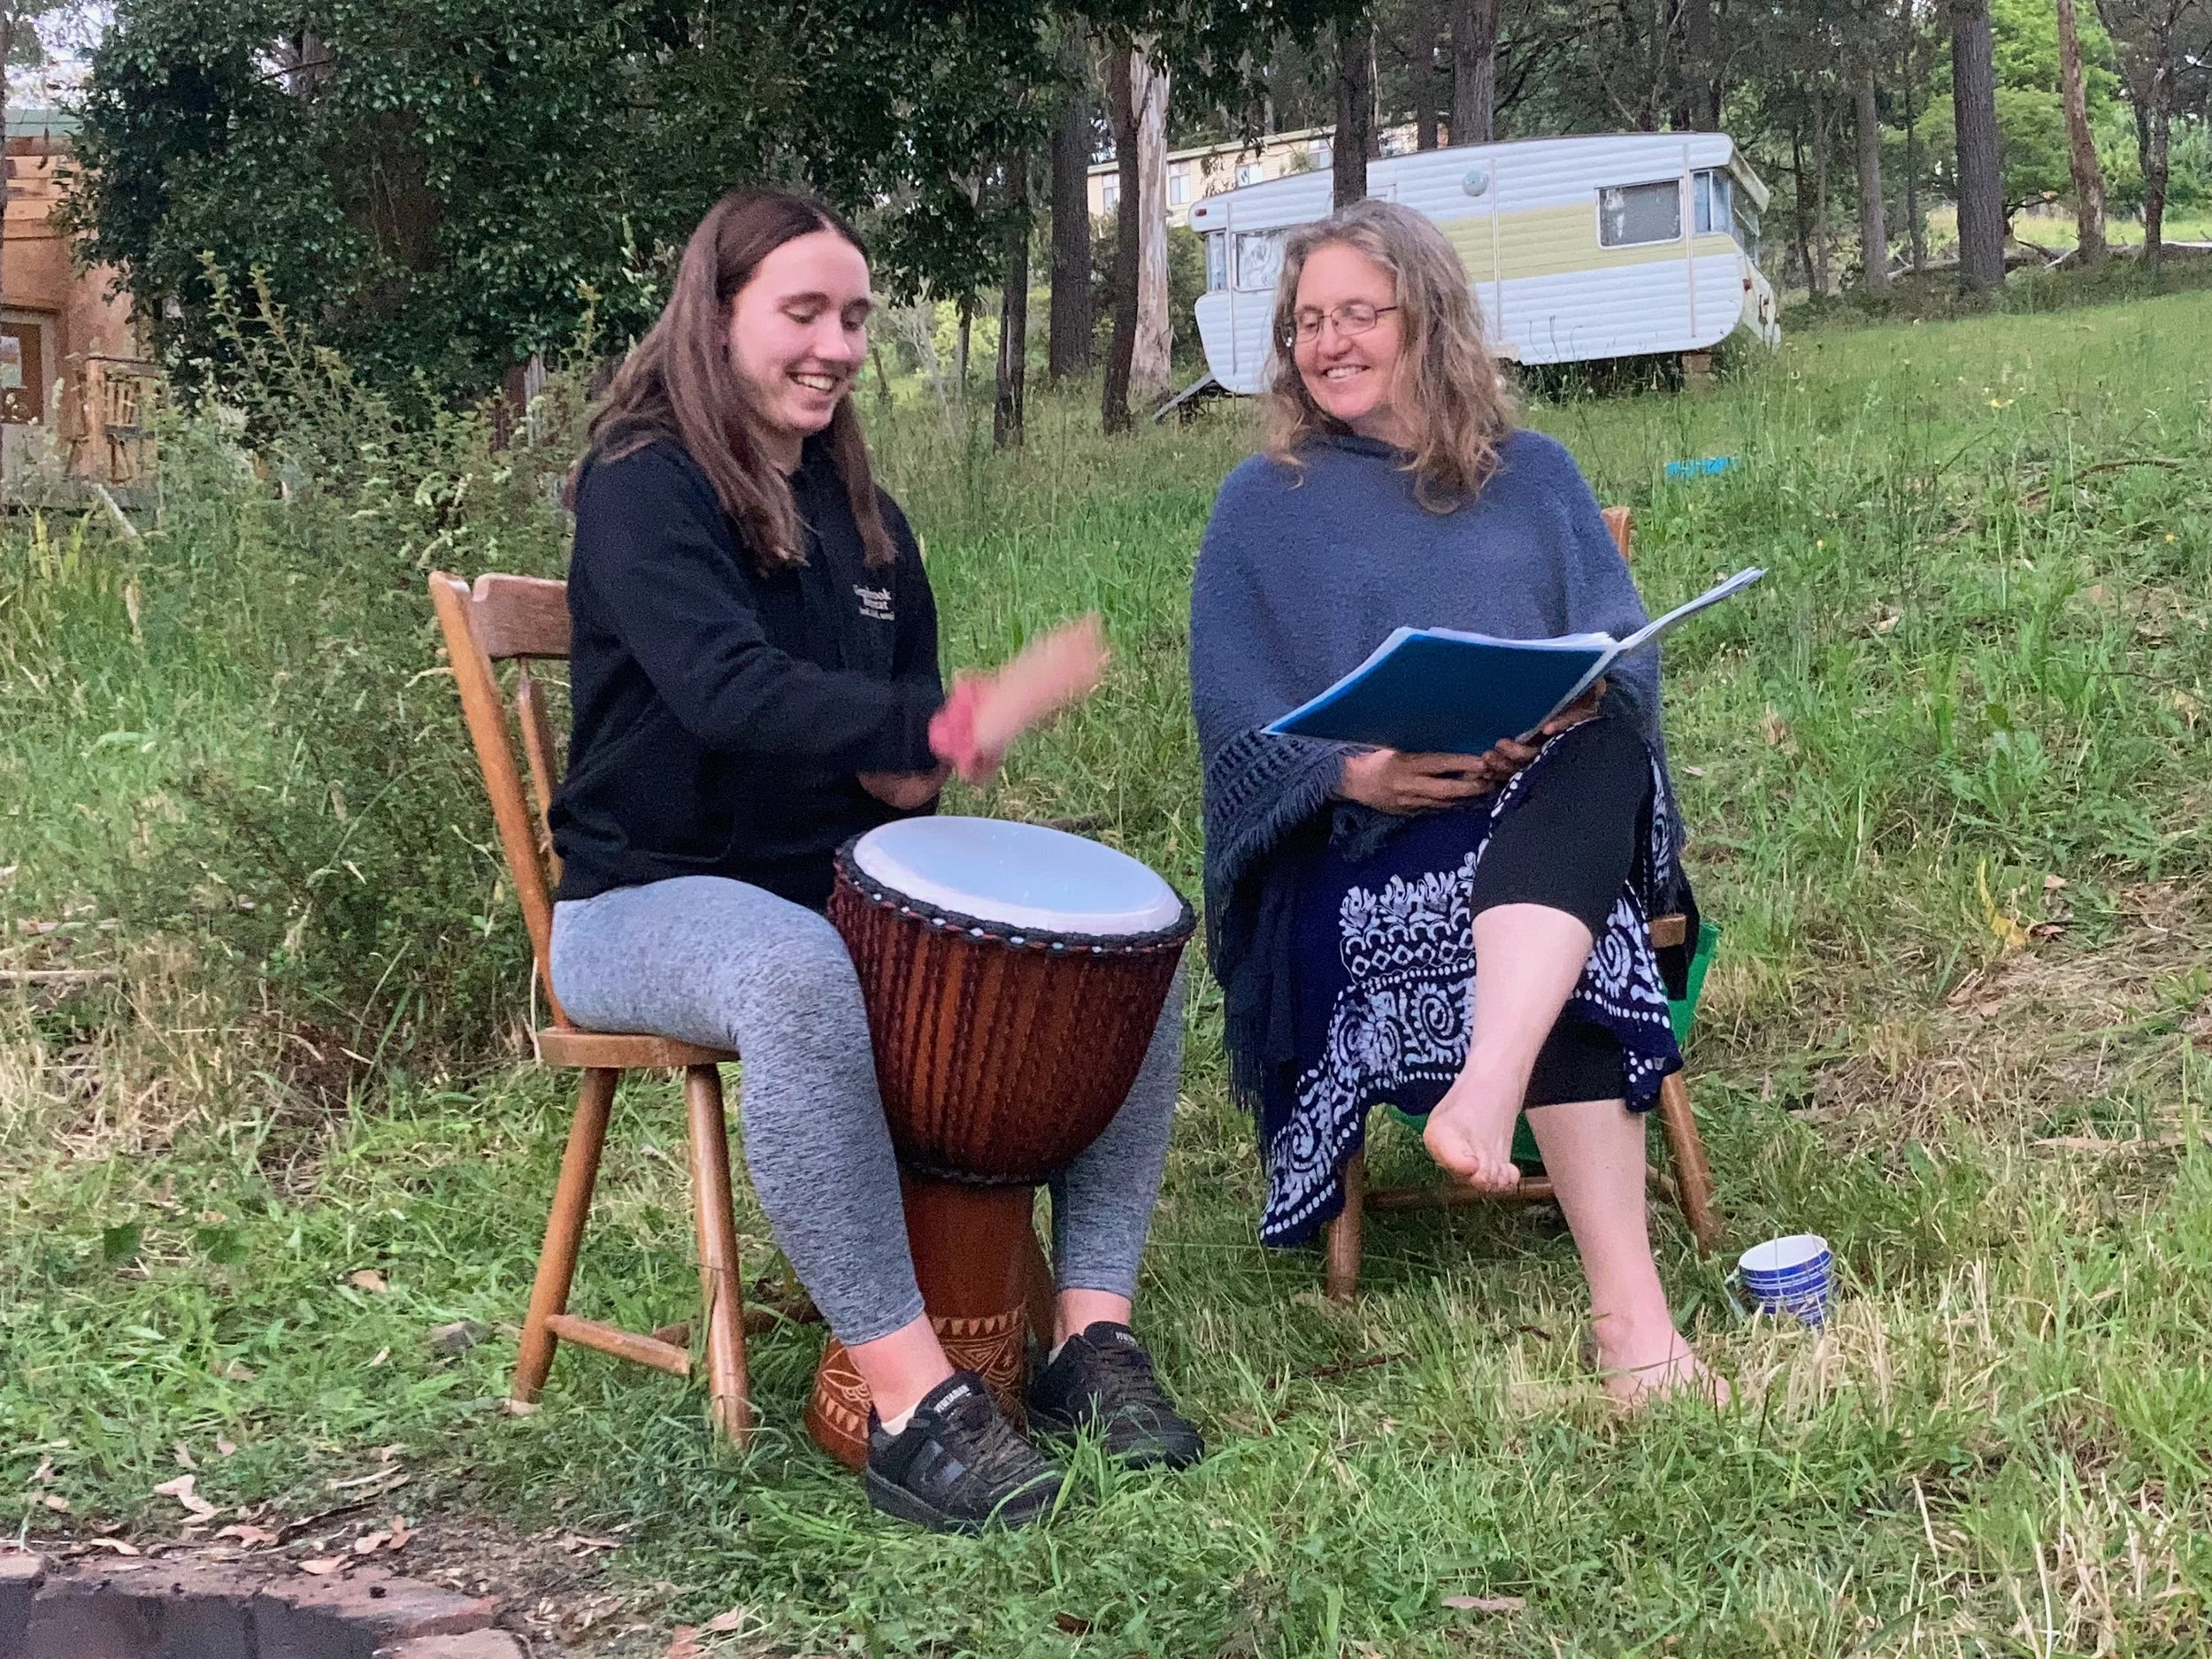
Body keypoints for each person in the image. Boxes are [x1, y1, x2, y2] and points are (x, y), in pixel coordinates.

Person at [546, 187, 1202, 1533]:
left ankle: (1087, 1334)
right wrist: (942, 716)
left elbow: (892, 771)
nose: (836, 344)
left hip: (829, 892)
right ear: (716, 316)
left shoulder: (868, 521)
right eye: (802, 312)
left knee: (1127, 946)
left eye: (852, 317)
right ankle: (916, 1400)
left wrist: (948, 749)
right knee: (794, 972)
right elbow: (729, 691)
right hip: (638, 905)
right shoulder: (640, 483)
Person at [1190, 199, 1717, 1405]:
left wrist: (1563, 705)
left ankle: (1497, 1096)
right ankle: (1635, 1329)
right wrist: (1351, 770)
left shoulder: (1534, 476)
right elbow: (1234, 729)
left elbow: (1625, 656)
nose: (1328, 341)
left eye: (1356, 314)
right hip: (1364, 846)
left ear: (1425, 319)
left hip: (1542, 805)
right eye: (1307, 320)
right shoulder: (1259, 507)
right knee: (1589, 929)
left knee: (1601, 763)